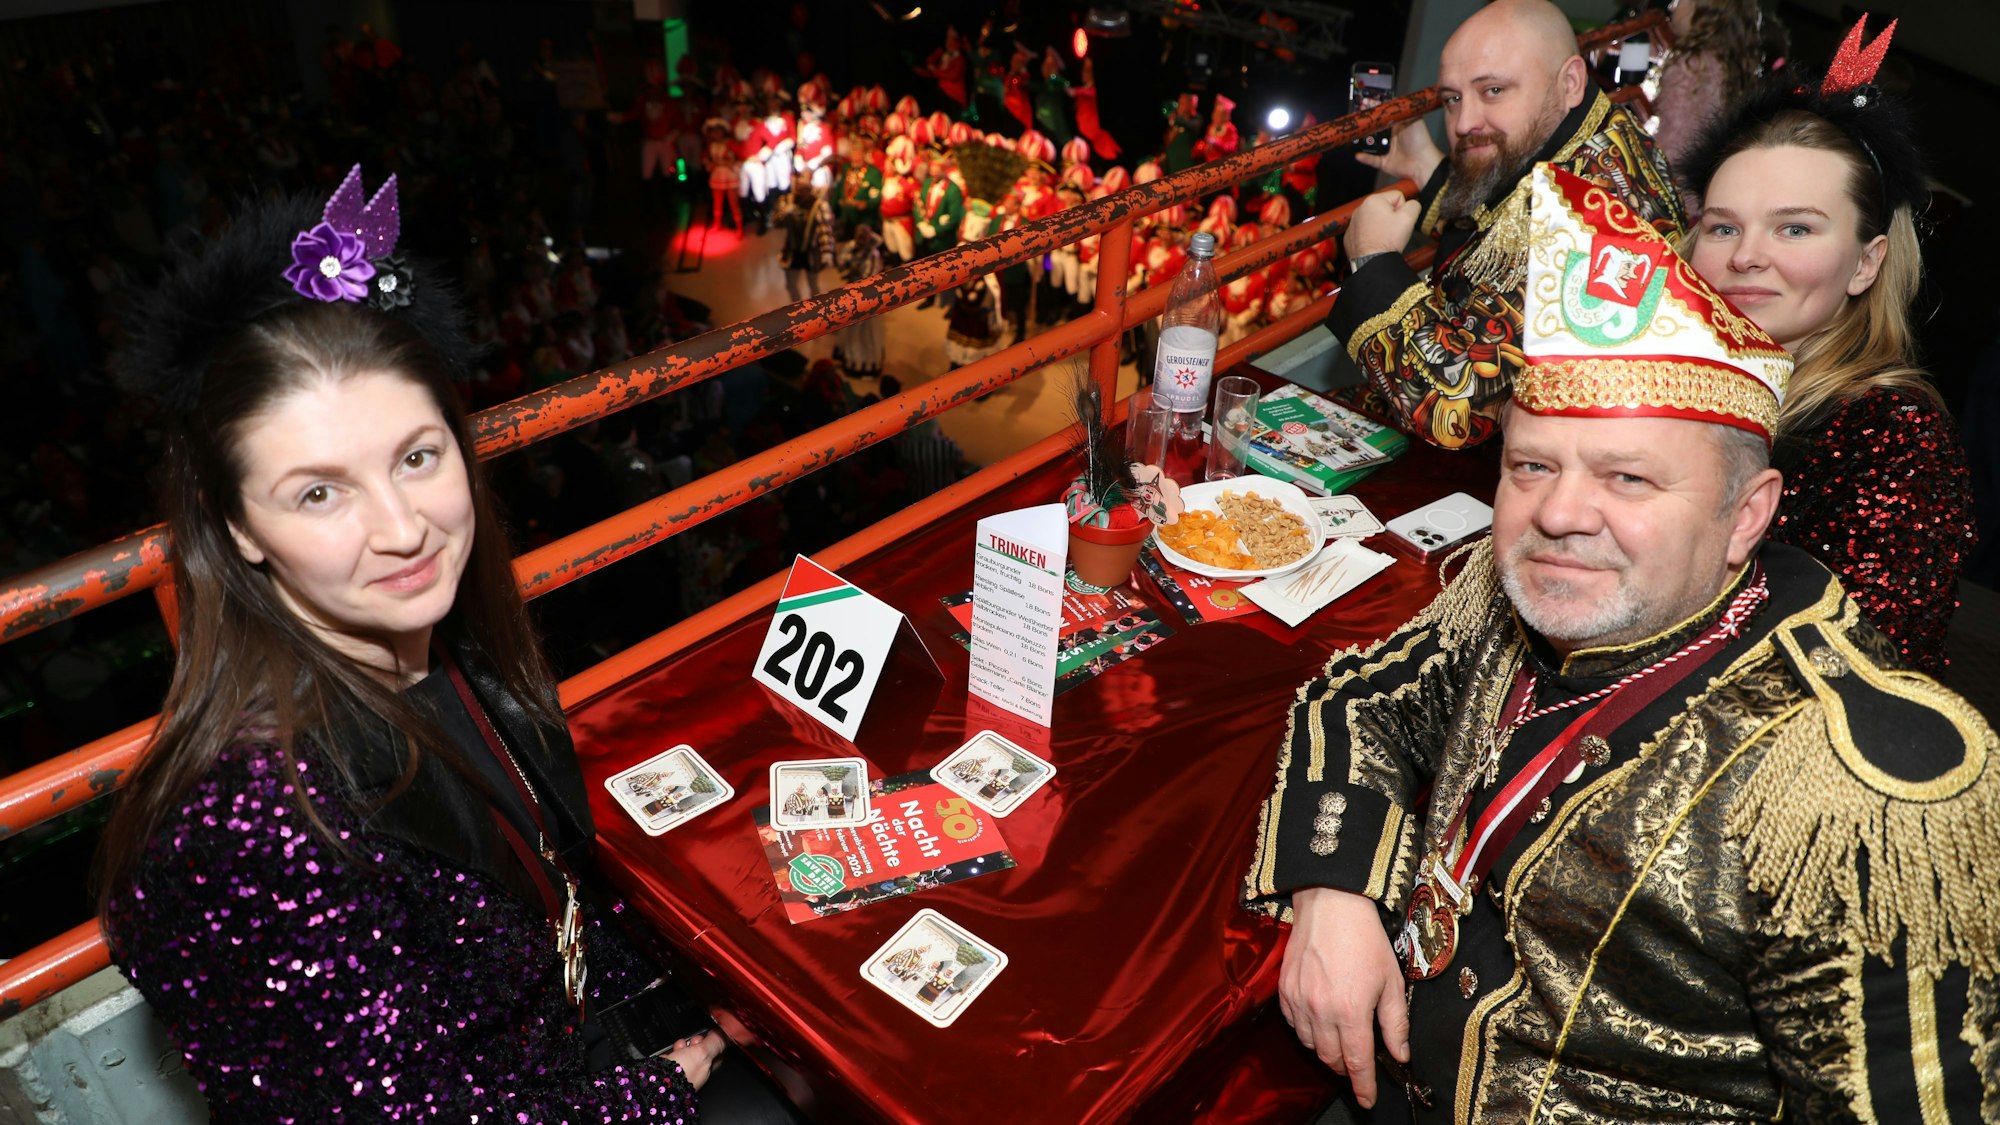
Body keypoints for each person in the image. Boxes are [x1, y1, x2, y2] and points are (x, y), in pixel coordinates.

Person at [1246, 163, 1999, 1121]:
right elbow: (1363, 696)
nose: (1559, 512)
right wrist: (1335, 887)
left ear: (1746, 515)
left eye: (1629, 479)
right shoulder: (1521, 585)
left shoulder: (1862, 790)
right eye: (1530, 465)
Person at [96, 169, 792, 1122]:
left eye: (417, 458)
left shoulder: (433, 647)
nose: (403, 527)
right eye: (319, 491)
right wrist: (664, 1086)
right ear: (237, 527)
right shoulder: (251, 828)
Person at [1680, 16, 1976, 674]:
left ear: (1867, 263)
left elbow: (1852, 677)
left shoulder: (1894, 436)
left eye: (1794, 229)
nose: (1746, 256)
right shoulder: (1674, 377)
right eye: (1723, 227)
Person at [1328, 0, 1682, 449]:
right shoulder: (1600, 137)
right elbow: (1510, 229)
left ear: (1570, 82)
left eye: (1493, 90)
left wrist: (1374, 259)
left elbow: (1455, 415)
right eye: (1453, 99)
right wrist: (1428, 168)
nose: (1464, 123)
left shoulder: (1598, 214)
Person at [1650, 0, 1766, 168]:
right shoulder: (1726, 66)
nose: (1671, 6)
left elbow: (1672, 147)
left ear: (1704, 9)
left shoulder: (1692, 67)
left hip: (1670, 180)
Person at [773, 178, 834, 303]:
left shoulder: (819, 205)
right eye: (798, 188)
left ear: (810, 189)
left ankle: (816, 309)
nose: (800, 192)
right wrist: (785, 212)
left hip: (811, 251)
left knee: (813, 284)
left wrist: (827, 250)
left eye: (804, 189)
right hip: (792, 250)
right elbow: (776, 223)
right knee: (790, 284)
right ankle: (797, 308)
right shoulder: (787, 200)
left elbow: (825, 229)